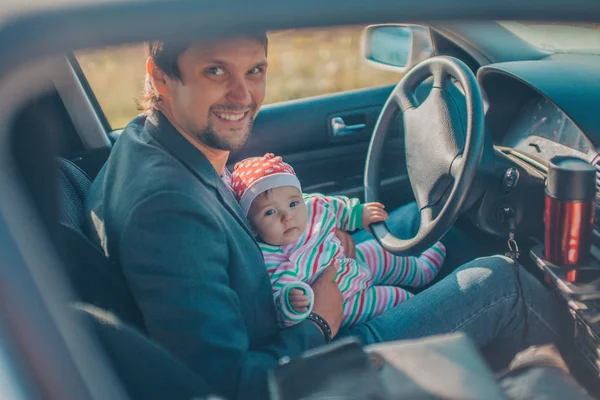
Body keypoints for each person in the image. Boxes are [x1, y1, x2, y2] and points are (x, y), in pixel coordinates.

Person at [85, 33, 561, 399]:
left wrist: (314, 233)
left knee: (417, 220)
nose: (242, 94)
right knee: (503, 282)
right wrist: (321, 322)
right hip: (311, 349)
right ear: (160, 76)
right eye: (215, 71)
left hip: (290, 277)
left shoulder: (153, 143)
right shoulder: (166, 212)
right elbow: (231, 385)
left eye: (254, 70)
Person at [230, 152, 446, 329]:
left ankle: (421, 271)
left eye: (293, 204)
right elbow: (279, 301)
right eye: (270, 213)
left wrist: (359, 214)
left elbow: (336, 207)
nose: (287, 216)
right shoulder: (269, 259)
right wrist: (291, 303)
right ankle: (417, 310)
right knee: (396, 297)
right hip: (344, 300)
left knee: (378, 252)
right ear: (252, 227)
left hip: (349, 262)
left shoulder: (313, 206)